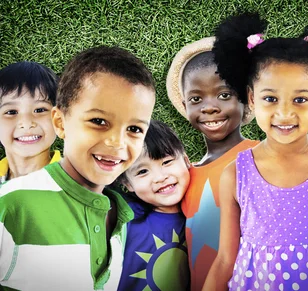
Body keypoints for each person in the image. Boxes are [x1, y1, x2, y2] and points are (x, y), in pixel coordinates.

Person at [203, 12, 308, 291]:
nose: (285, 113)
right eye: (270, 98)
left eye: (300, 99)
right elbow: (226, 258)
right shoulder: (236, 174)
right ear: (251, 99)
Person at [0, 46, 155, 290]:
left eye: (134, 129)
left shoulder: (121, 216)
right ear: (60, 123)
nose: (117, 142)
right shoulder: (9, 203)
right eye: (99, 121)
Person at [166, 36, 259, 290]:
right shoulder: (185, 176)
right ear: (185, 106)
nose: (209, 107)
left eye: (224, 94)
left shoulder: (259, 157)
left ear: (247, 98)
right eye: (196, 99)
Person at [115, 120, 191, 291]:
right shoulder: (124, 217)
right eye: (142, 172)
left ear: (186, 161)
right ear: (128, 184)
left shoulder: (203, 207)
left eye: (166, 162)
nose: (159, 177)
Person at [0, 61, 60, 184]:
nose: (27, 123)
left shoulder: (76, 184)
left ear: (59, 119)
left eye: (40, 110)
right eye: (11, 112)